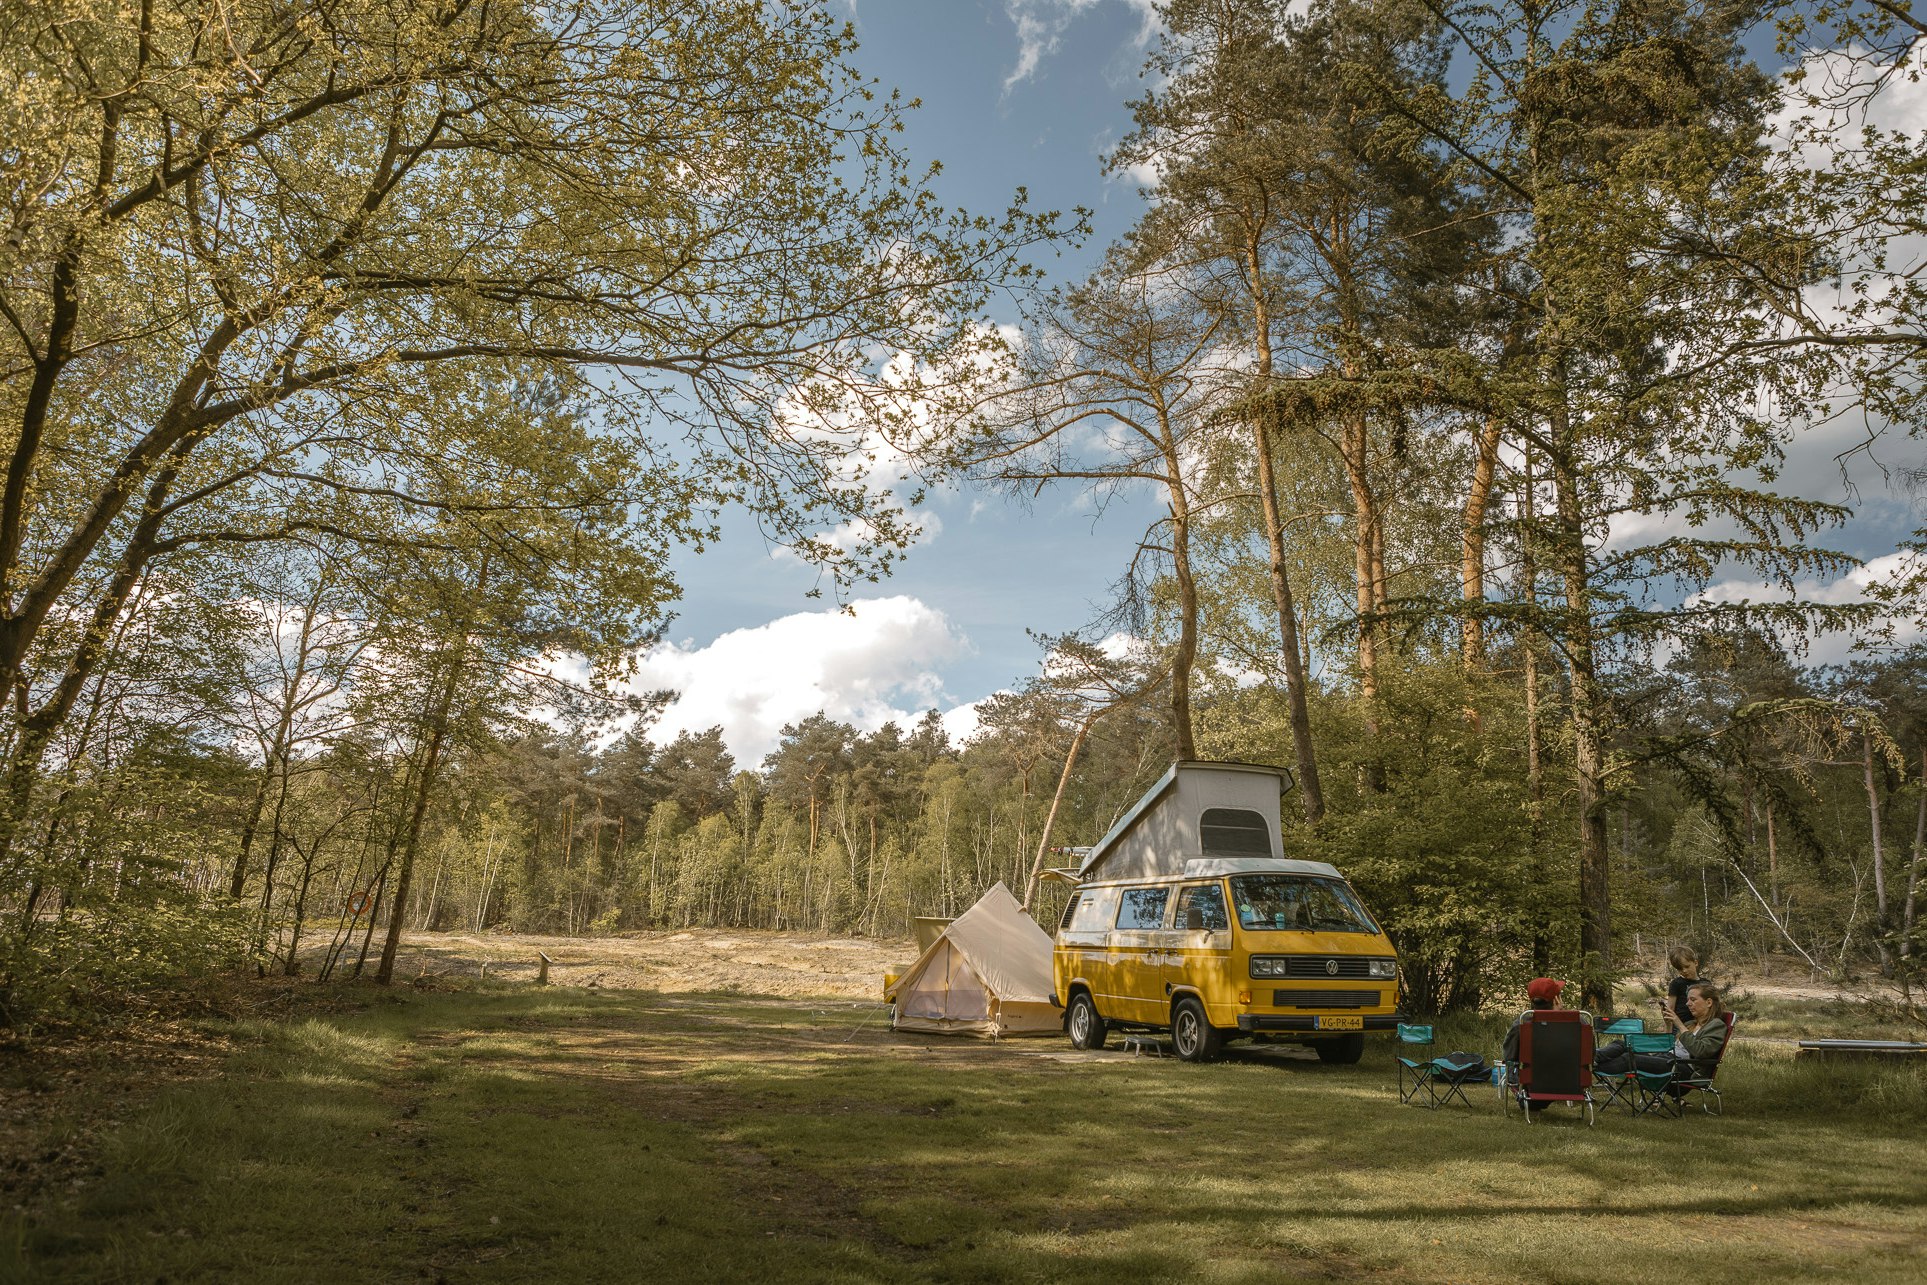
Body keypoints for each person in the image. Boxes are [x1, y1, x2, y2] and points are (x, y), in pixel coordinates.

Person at [1596, 981, 1728, 1077]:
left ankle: (1588, 1068)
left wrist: (1679, 1024)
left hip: (1682, 1069)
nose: (1688, 1003)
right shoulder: (1691, 1023)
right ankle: (1591, 1058)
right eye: (1688, 1000)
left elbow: (1700, 1051)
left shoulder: (1716, 1025)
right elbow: (1667, 1046)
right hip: (1667, 1058)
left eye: (1693, 1000)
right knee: (1624, 1044)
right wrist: (1669, 1024)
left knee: (1630, 1059)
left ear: (1709, 1002)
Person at [1663, 946, 1701, 1029]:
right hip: (1679, 1025)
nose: (1684, 971)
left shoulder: (1705, 983)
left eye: (1687, 966)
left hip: (1700, 1025)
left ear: (1695, 963)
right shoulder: (1676, 983)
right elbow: (1670, 1008)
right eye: (1679, 969)